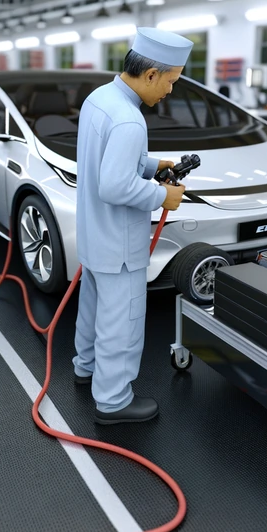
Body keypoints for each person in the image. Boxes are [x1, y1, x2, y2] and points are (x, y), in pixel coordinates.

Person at [72, 28, 192, 425]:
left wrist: (150, 165)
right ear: (152, 74)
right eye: (171, 81)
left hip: (94, 235)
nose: (170, 91)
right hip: (119, 243)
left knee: (92, 308)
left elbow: (107, 160)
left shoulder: (100, 99)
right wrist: (163, 197)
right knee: (120, 323)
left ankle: (85, 367)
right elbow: (114, 185)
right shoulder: (130, 120)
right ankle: (113, 401)